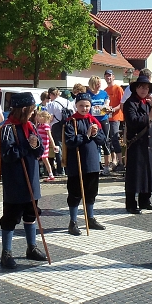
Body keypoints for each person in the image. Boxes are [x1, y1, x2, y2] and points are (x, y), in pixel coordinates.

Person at [0, 93, 49, 269]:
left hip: (32, 176)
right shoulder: (7, 128)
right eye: (32, 110)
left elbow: (39, 151)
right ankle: (6, 253)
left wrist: (35, 145)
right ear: (24, 109)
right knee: (11, 217)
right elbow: (8, 155)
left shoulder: (31, 127)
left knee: (31, 213)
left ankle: (31, 247)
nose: (34, 113)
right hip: (15, 179)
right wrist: (27, 145)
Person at [64, 92, 107, 235]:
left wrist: (95, 134)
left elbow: (102, 140)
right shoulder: (71, 122)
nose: (84, 108)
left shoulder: (94, 121)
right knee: (75, 193)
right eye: (81, 106)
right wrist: (86, 135)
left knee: (91, 192)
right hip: (76, 163)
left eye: (87, 106)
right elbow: (70, 141)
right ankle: (73, 221)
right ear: (76, 106)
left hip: (93, 162)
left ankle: (90, 218)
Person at [123, 76, 152, 212]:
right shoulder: (130, 103)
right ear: (136, 88)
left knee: (148, 173)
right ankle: (131, 204)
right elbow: (132, 121)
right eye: (142, 87)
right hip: (136, 143)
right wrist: (149, 116)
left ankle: (145, 200)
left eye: (147, 88)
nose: (144, 90)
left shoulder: (148, 103)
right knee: (135, 174)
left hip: (149, 143)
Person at [87, 76, 112, 176]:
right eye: (96, 84)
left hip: (103, 120)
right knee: (93, 143)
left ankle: (106, 167)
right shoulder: (88, 95)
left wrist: (106, 108)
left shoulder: (104, 93)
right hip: (92, 121)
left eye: (99, 83)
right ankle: (95, 165)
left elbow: (106, 105)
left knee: (105, 142)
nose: (99, 85)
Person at [45, 87, 70, 176]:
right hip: (67, 125)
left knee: (58, 147)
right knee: (67, 146)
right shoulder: (67, 101)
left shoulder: (52, 104)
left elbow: (50, 118)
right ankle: (68, 168)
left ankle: (61, 168)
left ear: (51, 94)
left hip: (56, 126)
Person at [104, 69, 125, 172]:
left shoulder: (118, 89)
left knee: (115, 138)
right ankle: (114, 161)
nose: (108, 77)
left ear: (113, 77)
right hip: (107, 117)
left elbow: (122, 103)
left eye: (110, 76)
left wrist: (113, 109)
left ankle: (120, 162)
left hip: (116, 117)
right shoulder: (105, 90)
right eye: (107, 76)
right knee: (108, 140)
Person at [35, 110, 56, 181]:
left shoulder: (46, 126)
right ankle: (50, 174)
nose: (37, 118)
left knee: (41, 159)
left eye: (38, 117)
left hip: (43, 146)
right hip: (39, 145)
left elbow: (50, 137)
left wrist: (53, 146)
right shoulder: (39, 125)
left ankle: (49, 174)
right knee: (44, 160)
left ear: (43, 118)